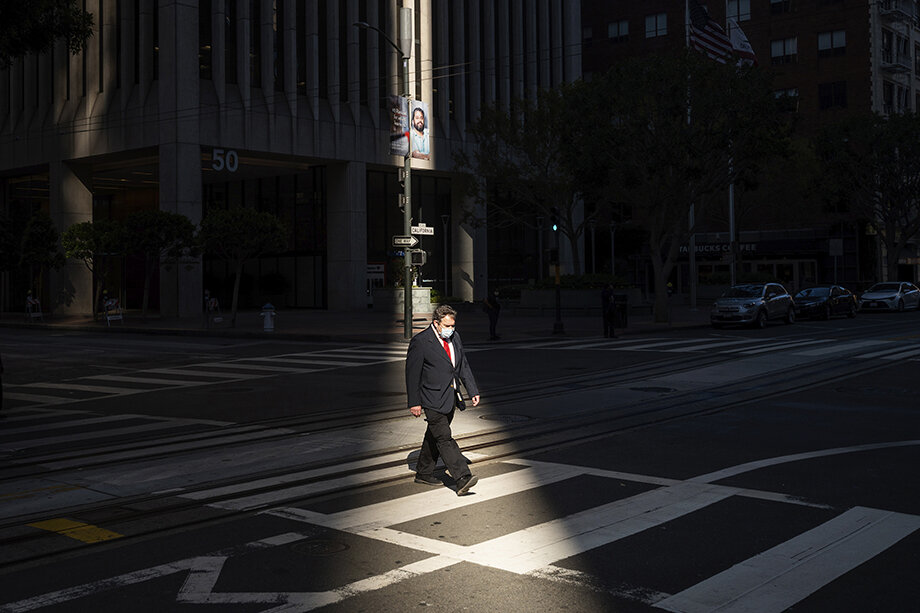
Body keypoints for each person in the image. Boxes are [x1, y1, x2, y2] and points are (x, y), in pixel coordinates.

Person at [406, 304, 481, 495]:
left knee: (435, 435)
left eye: (452, 325)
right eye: (447, 325)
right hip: (431, 398)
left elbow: (462, 365)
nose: (451, 329)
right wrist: (414, 402)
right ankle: (462, 477)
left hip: (450, 396)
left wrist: (472, 390)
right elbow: (412, 374)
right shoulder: (421, 341)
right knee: (444, 437)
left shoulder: (455, 337)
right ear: (436, 323)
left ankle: (423, 472)